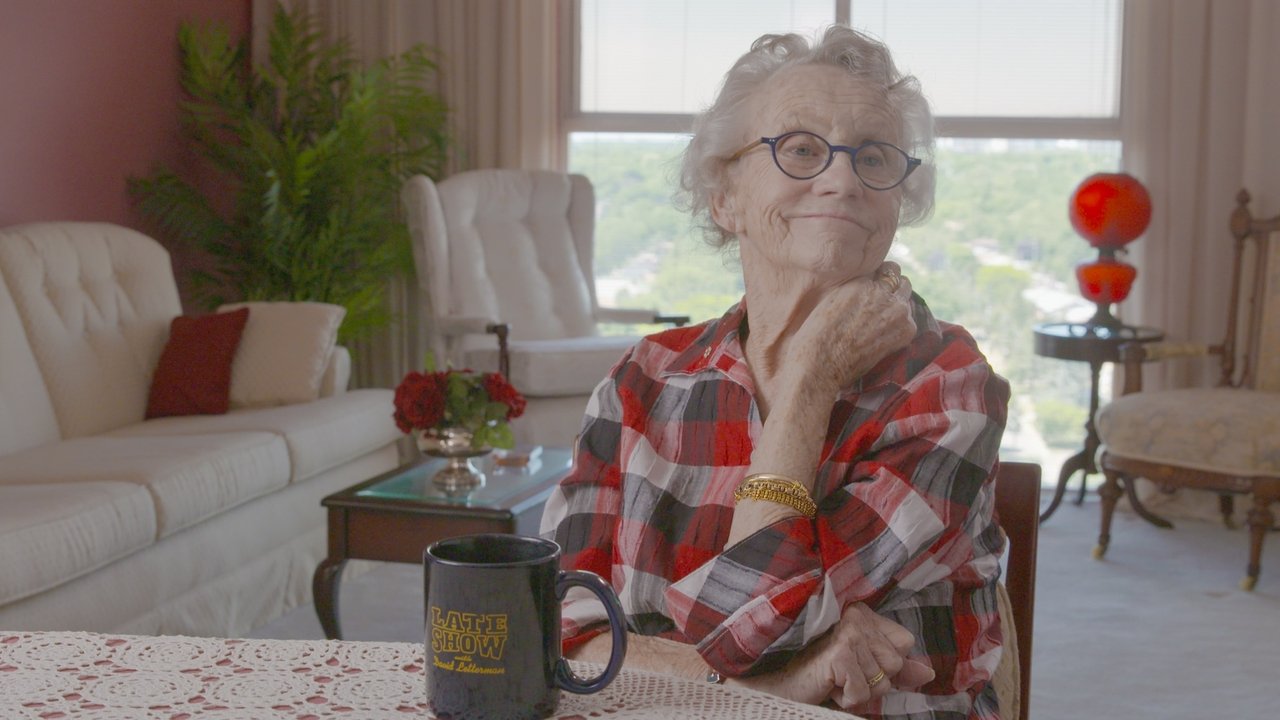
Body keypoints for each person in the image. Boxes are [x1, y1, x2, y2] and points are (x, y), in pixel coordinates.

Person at [540, 25, 1010, 720]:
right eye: (801, 149)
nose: (843, 180)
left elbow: (751, 626)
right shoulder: (643, 377)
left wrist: (811, 377)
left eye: (874, 157)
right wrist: (785, 686)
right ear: (724, 199)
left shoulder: (950, 386)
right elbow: (555, 627)